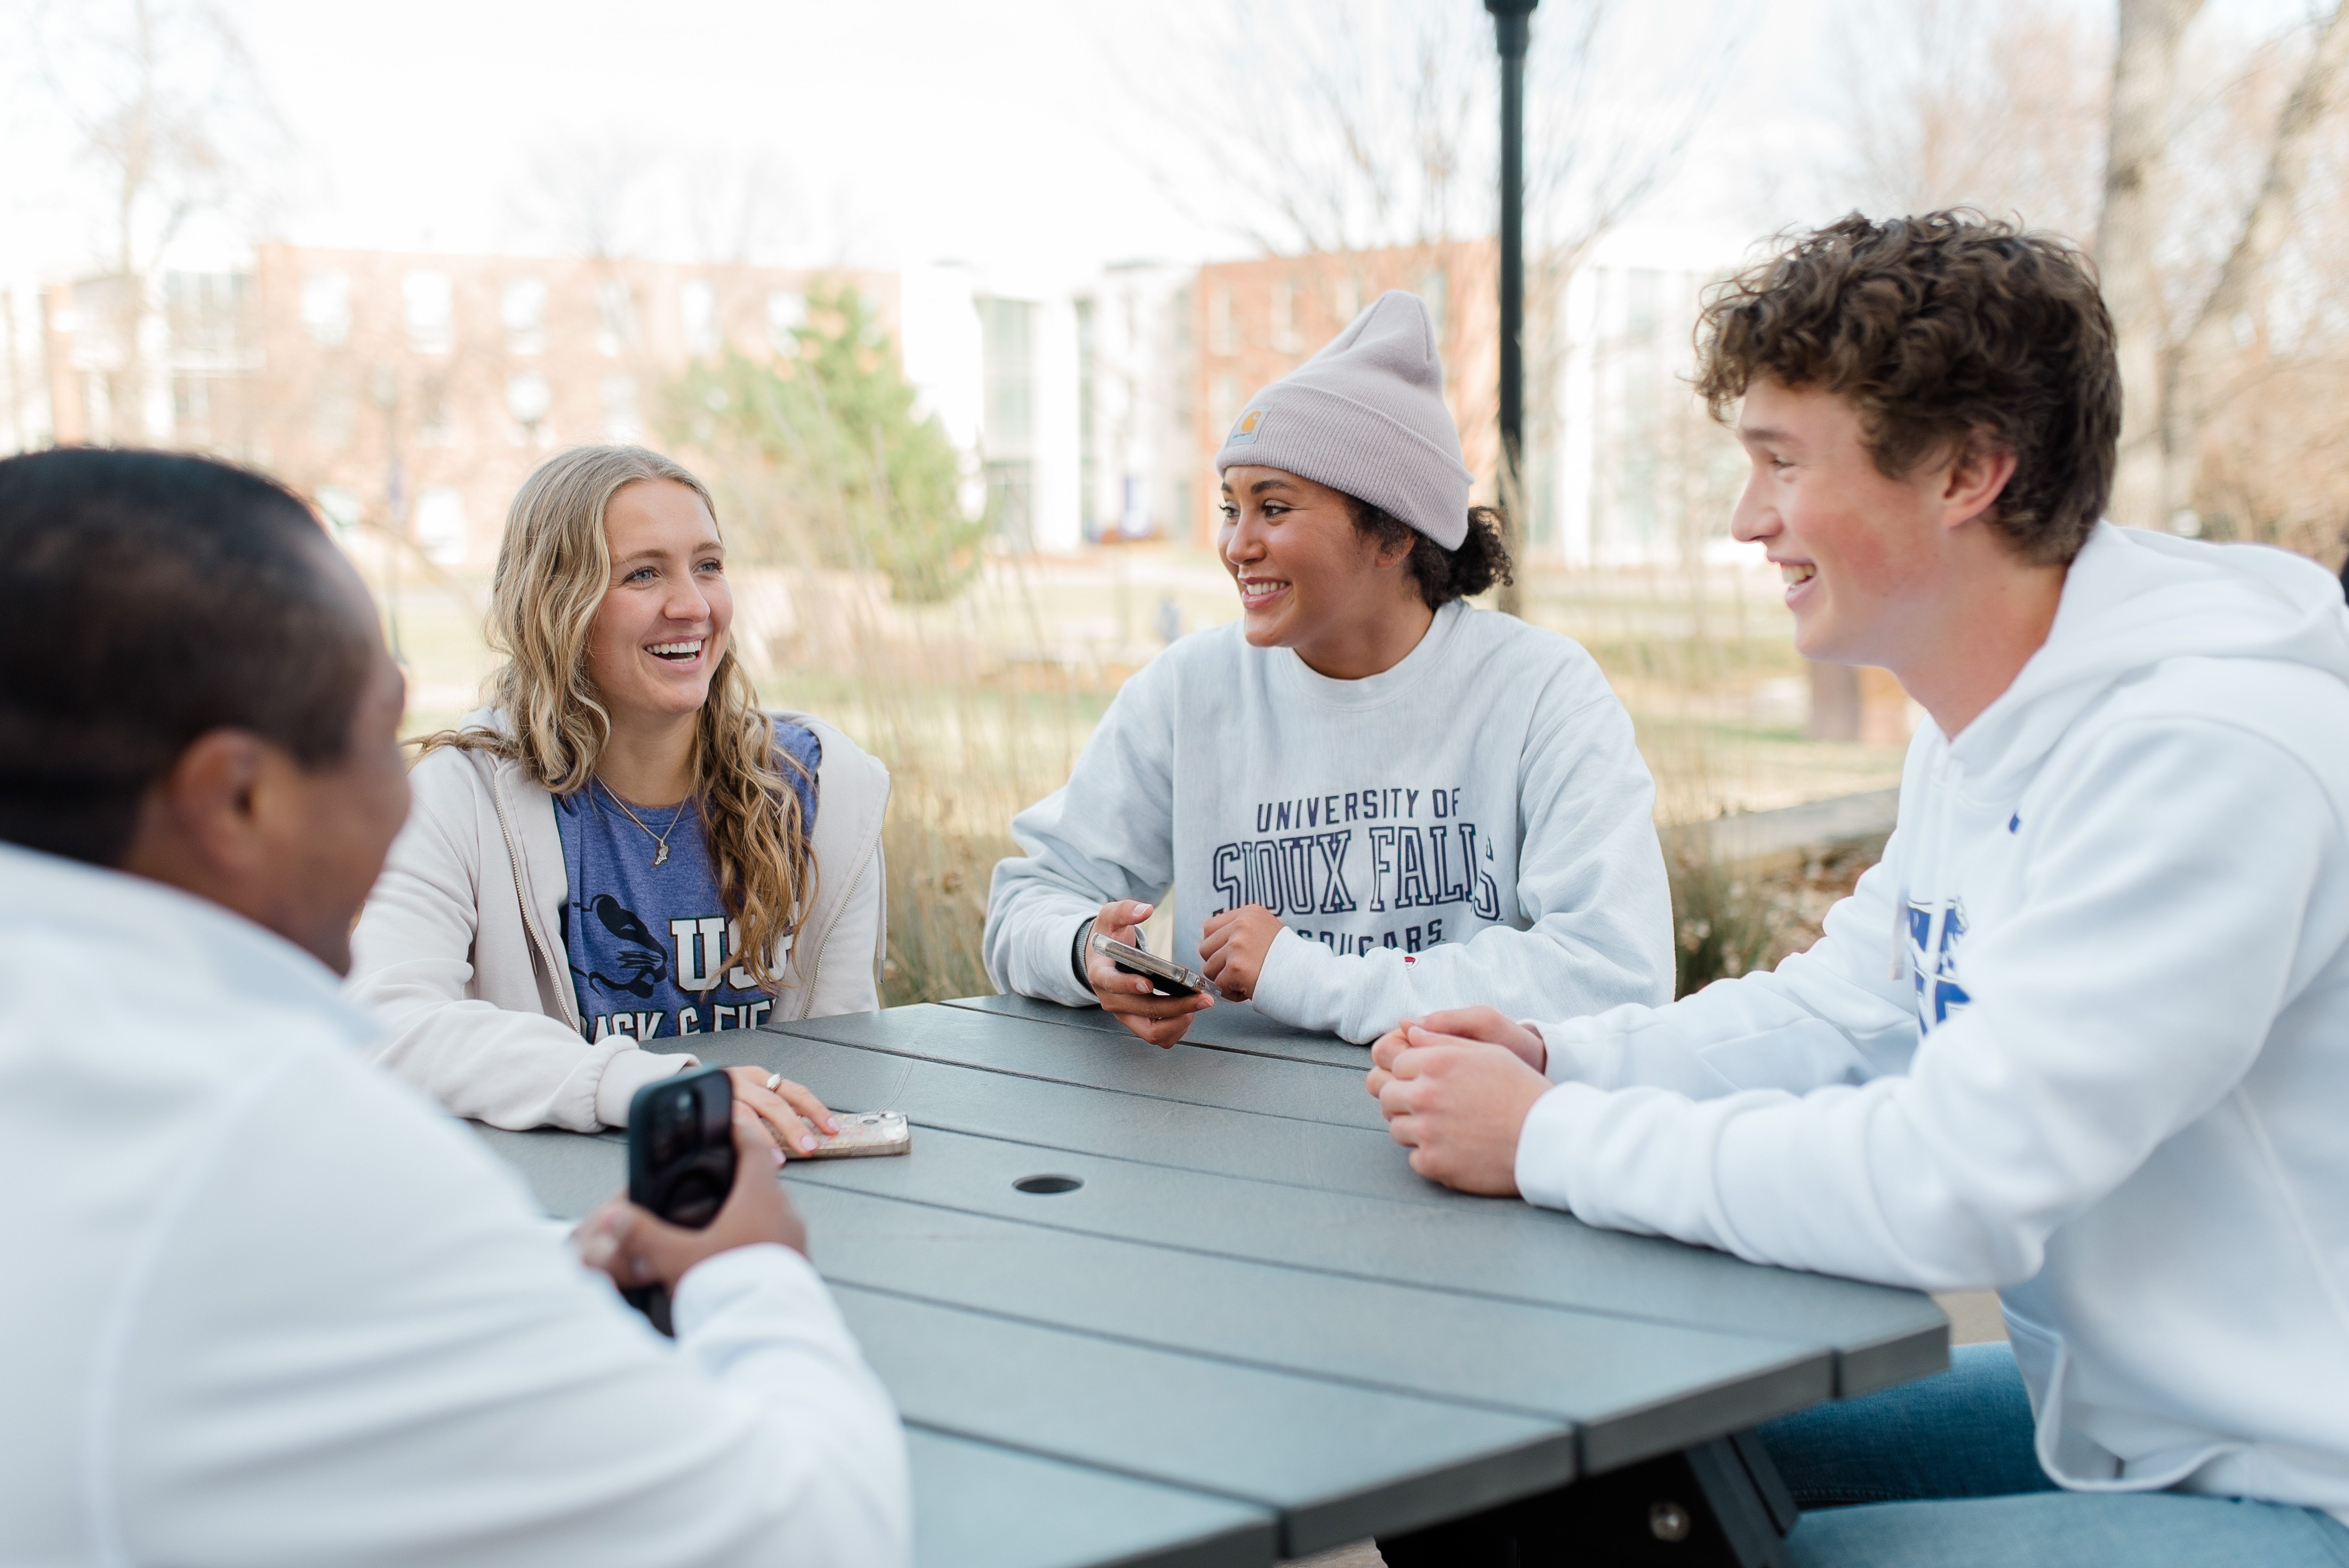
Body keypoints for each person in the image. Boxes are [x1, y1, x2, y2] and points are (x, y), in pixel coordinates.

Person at [1368, 214, 2349, 1565]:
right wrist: (1560, 1054)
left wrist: (1544, 1138)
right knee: (1510, 1476)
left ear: (1966, 471)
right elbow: (1847, 1009)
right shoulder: (1991, 725)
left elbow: (1955, 1182)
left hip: (2298, 1471)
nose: (1745, 516)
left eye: (1781, 461)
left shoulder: (2206, 759)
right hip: (2127, 1417)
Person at [0, 448, 908, 1566]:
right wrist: (744, 1269)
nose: (404, 792)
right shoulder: (280, 1144)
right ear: (235, 797)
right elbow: (811, 1530)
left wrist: (522, 1263)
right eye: (375, 732)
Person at [984, 291, 1673, 1047]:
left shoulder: (1540, 690)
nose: (1236, 545)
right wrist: (1087, 950)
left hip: (1452, 1132)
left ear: (1392, 533)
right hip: (1218, 1134)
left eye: (1274, 509)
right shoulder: (1189, 691)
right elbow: (1027, 901)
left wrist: (1301, 974)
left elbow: (1615, 970)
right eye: (1230, 507)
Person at [348, 445, 889, 1153]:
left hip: (774, 1183)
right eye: (642, 574)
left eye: (708, 565)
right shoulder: (462, 794)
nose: (691, 606)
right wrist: (640, 1087)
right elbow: (386, 1025)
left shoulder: (819, 789)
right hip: (551, 1209)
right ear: (556, 604)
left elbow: (839, 1050)